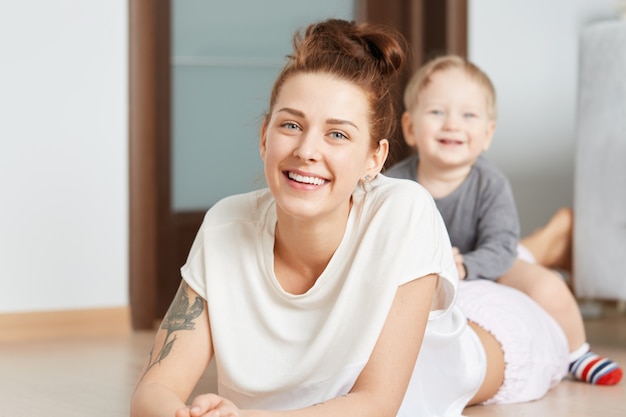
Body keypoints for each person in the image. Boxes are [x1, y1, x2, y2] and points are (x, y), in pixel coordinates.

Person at [131, 20, 571, 417]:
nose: (307, 150)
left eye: (338, 134)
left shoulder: (404, 209)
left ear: (374, 159)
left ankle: (547, 241)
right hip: (422, 297)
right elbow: (156, 388)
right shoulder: (225, 226)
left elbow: (376, 404)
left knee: (535, 297)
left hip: (489, 339)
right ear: (265, 136)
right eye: (290, 125)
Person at [385, 54, 622, 386]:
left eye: (468, 115)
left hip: (487, 261)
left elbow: (501, 246)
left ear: (487, 134)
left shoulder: (490, 183)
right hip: (428, 270)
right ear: (410, 128)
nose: (452, 124)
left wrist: (466, 265)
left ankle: (577, 351)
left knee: (548, 286)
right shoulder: (395, 185)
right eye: (437, 112)